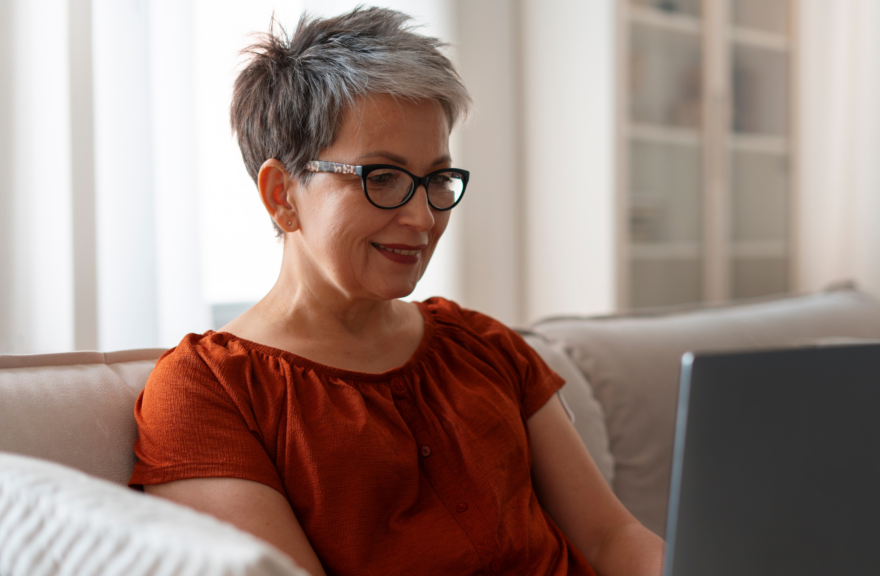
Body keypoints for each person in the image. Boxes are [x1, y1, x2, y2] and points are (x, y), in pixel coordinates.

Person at [129, 7, 664, 575]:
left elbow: (611, 539)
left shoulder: (483, 345)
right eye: (380, 177)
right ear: (282, 194)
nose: (423, 217)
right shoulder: (210, 393)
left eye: (437, 178)